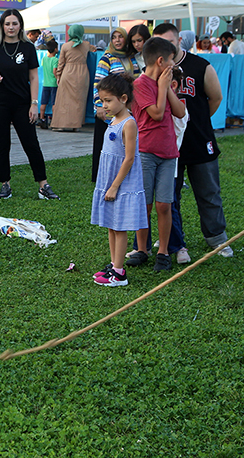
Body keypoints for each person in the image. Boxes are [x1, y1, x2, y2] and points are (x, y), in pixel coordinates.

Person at [151, 23, 233, 264]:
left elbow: (215, 98)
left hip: (198, 140)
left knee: (208, 193)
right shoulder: (153, 69)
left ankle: (217, 239)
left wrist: (193, 121)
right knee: (168, 196)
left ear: (179, 41)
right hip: (167, 143)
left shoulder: (200, 66)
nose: (164, 48)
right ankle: (172, 239)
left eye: (169, 42)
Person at [0, 8, 59, 201]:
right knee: (2, 144)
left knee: (31, 143)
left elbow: (33, 76)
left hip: (23, 103)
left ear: (20, 25)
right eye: (7, 24)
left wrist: (34, 104)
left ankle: (43, 185)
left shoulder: (27, 47)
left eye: (14, 23)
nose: (11, 27)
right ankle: (5, 185)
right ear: (2, 26)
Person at [123, 37, 186, 273]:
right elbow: (157, 114)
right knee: (145, 203)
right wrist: (162, 88)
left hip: (168, 153)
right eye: (171, 60)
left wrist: (167, 89)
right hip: (146, 152)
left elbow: (179, 111)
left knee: (164, 204)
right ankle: (142, 248)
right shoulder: (140, 85)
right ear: (161, 61)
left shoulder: (164, 84)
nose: (173, 64)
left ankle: (163, 252)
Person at [91, 75, 147, 287]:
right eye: (102, 101)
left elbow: (130, 158)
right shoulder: (113, 120)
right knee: (111, 225)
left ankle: (119, 273)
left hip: (122, 184)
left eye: (108, 100)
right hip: (110, 181)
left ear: (123, 98)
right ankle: (114, 263)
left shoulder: (129, 123)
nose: (104, 105)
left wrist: (115, 186)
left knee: (120, 227)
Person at [91, 27, 139, 182]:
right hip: (108, 109)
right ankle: (101, 175)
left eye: (121, 37)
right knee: (105, 144)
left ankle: (122, 172)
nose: (117, 40)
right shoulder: (107, 58)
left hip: (127, 108)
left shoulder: (131, 58)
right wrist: (99, 104)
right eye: (114, 37)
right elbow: (98, 82)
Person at [51, 24, 91, 131]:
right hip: (82, 74)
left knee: (63, 100)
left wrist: (58, 76)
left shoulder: (65, 46)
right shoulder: (86, 45)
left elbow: (61, 63)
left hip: (68, 73)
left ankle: (61, 124)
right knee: (79, 101)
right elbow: (94, 50)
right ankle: (76, 125)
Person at [37, 39, 59, 129]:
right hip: (53, 83)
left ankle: (41, 118)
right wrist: (57, 77)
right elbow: (55, 70)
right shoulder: (55, 59)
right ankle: (54, 120)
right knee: (54, 103)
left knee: (43, 102)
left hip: (45, 83)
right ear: (55, 49)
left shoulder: (44, 59)